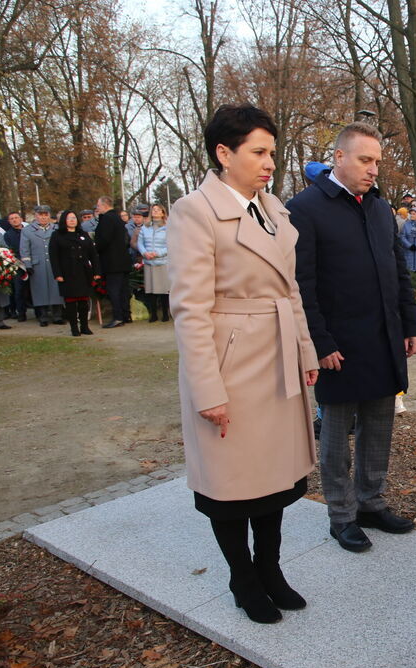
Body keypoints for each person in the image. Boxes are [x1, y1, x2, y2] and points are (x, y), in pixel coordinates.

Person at [168, 103, 320, 625]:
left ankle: (271, 569)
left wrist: (305, 350)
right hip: (230, 363)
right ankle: (243, 577)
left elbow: (291, 289)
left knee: (273, 475)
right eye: (258, 152)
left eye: (272, 152)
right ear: (223, 153)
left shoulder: (273, 208)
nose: (269, 163)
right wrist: (206, 388)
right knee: (232, 482)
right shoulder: (195, 211)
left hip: (277, 358)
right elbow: (188, 308)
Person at [288, 121, 416, 554]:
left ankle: (370, 502)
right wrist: (320, 342)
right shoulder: (305, 207)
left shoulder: (381, 209)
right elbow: (301, 284)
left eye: (378, 162)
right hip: (339, 345)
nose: (374, 170)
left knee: (380, 425)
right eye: (365, 160)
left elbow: (397, 270)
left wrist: (410, 322)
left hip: (383, 337)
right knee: (335, 434)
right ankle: (342, 515)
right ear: (339, 158)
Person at [49, 210, 100, 336]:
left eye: (74, 218)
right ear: (64, 220)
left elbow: (93, 254)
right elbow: (53, 257)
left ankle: (84, 326)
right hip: (67, 273)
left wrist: (96, 271)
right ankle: (74, 328)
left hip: (83, 272)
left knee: (83, 302)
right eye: (69, 218)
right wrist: (58, 274)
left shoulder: (83, 234)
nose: (72, 220)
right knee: (71, 302)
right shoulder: (57, 235)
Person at [93, 195, 133, 327]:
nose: (97, 208)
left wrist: (95, 248)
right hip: (123, 260)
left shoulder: (107, 219)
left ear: (104, 205)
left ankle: (118, 317)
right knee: (123, 290)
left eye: (98, 206)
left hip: (112, 261)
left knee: (114, 290)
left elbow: (104, 240)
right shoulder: (118, 219)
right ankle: (126, 315)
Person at [21, 205, 64, 326]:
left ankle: (57, 315)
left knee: (56, 289)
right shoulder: (27, 230)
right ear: (36, 216)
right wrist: (27, 264)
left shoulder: (57, 228)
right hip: (37, 265)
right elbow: (24, 249)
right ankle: (43, 316)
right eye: (41, 215)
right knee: (40, 290)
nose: (43, 217)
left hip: (54, 264)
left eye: (46, 215)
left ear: (50, 216)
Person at [137, 204, 170, 322]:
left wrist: (158, 253)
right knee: (150, 290)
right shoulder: (145, 227)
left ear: (162, 213)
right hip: (149, 262)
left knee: (164, 289)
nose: (155, 212)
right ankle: (154, 314)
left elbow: (171, 245)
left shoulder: (168, 227)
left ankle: (166, 314)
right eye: (153, 210)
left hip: (162, 262)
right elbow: (140, 243)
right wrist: (145, 253)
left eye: (158, 210)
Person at [4, 211, 29, 321]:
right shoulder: (7, 235)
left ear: (21, 218)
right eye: (11, 218)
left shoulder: (29, 231)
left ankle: (40, 312)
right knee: (18, 290)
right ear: (9, 221)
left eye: (16, 217)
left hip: (31, 263)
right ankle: (21, 312)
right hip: (17, 265)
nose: (14, 220)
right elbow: (9, 251)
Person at [399, 206, 416, 272]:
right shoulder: (406, 224)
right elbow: (402, 236)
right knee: (408, 270)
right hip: (408, 250)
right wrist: (409, 245)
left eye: (414, 214)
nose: (411, 215)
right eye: (411, 213)